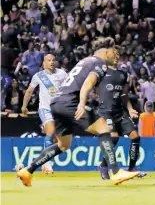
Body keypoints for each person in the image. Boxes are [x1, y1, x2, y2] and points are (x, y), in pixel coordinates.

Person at [17, 38, 141, 187]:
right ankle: (116, 172)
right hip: (70, 102)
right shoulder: (99, 63)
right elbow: (88, 84)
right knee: (104, 129)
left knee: (63, 145)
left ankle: (28, 170)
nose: (116, 56)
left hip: (56, 102)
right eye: (114, 52)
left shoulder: (86, 61)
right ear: (106, 51)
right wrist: (81, 104)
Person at [96, 56, 147, 180]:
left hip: (120, 112)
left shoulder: (124, 75)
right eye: (114, 55)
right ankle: (103, 166)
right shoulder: (100, 73)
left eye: (118, 56)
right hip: (105, 112)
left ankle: (132, 168)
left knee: (135, 136)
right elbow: (92, 87)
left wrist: (130, 109)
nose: (116, 58)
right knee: (113, 138)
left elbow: (124, 94)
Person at [21, 54, 68, 174]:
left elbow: (70, 87)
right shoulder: (39, 76)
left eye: (53, 60)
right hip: (45, 108)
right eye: (49, 60)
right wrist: (24, 106)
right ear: (44, 63)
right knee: (50, 132)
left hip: (59, 110)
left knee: (60, 139)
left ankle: (44, 162)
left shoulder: (62, 73)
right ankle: (47, 164)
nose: (52, 62)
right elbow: (29, 91)